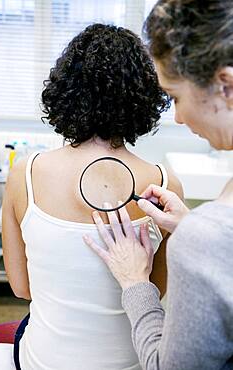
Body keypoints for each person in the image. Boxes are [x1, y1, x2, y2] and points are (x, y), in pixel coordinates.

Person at [0, 24, 182, 370]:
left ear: (66, 90)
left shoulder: (24, 175)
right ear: (143, 97)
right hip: (137, 360)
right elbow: (156, 292)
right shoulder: (166, 186)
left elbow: (21, 288)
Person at [84, 2, 233, 370]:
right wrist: (192, 226)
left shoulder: (207, 237)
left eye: (176, 97)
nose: (178, 118)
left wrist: (135, 281)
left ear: (226, 85)